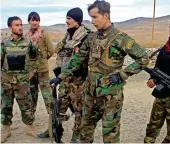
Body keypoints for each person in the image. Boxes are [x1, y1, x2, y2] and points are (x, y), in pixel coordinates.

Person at [50, 0, 150, 143]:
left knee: (110, 136)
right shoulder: (91, 38)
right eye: (91, 17)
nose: (92, 21)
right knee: (85, 131)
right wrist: (61, 76)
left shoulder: (121, 38)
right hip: (91, 94)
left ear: (106, 15)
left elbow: (144, 58)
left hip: (110, 96)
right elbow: (78, 58)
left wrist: (123, 74)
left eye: (95, 17)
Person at [37, 7, 91, 142]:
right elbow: (57, 50)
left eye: (69, 18)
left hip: (78, 81)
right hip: (64, 79)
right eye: (66, 18)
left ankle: (76, 136)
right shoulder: (68, 35)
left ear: (77, 20)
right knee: (59, 107)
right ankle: (55, 130)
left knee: (79, 110)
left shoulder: (86, 37)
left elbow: (83, 60)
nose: (66, 21)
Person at [1, 16, 39, 143]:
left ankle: (30, 128)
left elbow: (36, 56)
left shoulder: (28, 42)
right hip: (7, 81)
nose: (20, 27)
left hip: (22, 81)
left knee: (26, 106)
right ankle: (6, 130)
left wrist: (33, 70)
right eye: (16, 25)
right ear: (10, 27)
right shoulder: (4, 43)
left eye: (21, 25)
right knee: (6, 106)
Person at [26, 12, 54, 114]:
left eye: (37, 20)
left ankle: (52, 117)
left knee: (47, 94)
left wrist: (43, 59)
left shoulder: (44, 34)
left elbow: (51, 50)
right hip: (31, 71)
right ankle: (30, 116)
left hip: (42, 70)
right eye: (33, 20)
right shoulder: (26, 35)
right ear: (29, 21)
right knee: (31, 94)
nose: (35, 22)